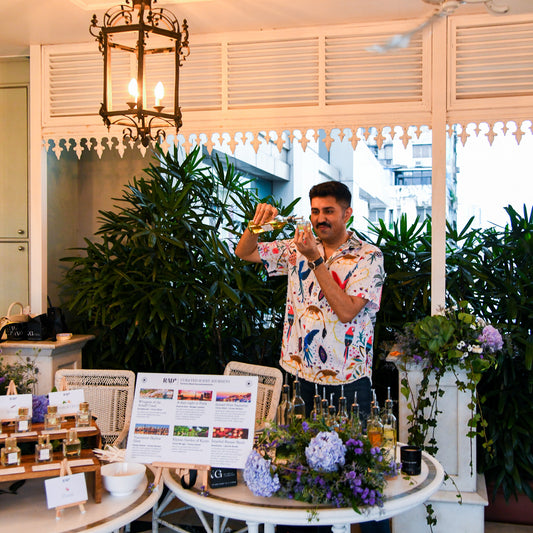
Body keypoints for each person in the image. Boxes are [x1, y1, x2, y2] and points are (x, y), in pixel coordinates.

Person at [235, 181, 388, 533]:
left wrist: (316, 260)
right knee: (299, 473)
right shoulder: (297, 247)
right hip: (301, 380)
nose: (320, 219)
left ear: (347, 213)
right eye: (315, 211)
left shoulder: (369, 257)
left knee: (361, 476)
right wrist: (255, 226)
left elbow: (346, 311)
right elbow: (245, 253)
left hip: (349, 384)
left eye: (329, 211)